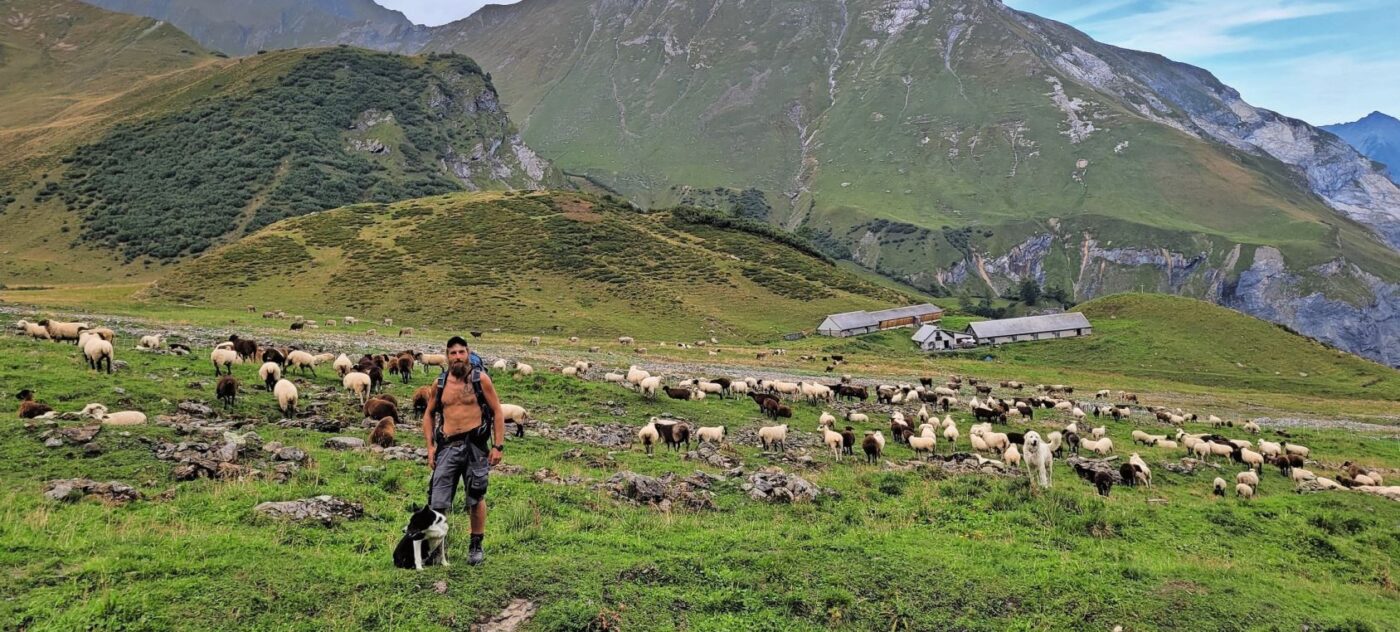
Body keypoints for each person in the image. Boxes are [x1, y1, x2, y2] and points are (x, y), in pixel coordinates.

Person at [423, 335, 506, 565]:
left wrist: (498, 446)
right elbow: (429, 414)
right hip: (447, 446)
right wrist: (430, 447)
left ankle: (476, 545)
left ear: (468, 353)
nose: (457, 357)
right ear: (447, 356)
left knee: (475, 497)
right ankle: (436, 548)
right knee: (438, 501)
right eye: (453, 353)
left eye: (461, 352)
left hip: (475, 447)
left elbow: (498, 411)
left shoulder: (481, 380)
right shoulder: (439, 384)